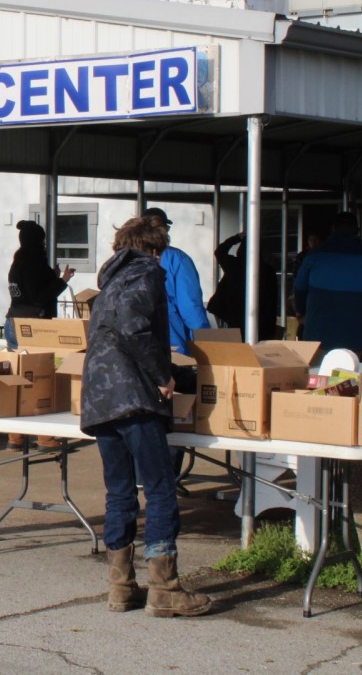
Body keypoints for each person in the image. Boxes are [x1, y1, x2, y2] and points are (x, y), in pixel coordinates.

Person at [81, 214, 211, 618]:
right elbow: (134, 327)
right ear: (155, 248)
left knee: (119, 492)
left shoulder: (111, 279)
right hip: (133, 395)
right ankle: (165, 588)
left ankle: (121, 587)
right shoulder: (147, 271)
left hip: (98, 397)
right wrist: (163, 374)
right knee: (159, 488)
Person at [4, 219, 73, 451]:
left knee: (17, 379)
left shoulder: (18, 261)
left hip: (13, 320)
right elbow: (39, 296)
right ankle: (45, 437)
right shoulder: (34, 262)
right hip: (34, 325)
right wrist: (62, 281)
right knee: (40, 380)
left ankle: (15, 436)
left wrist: (52, 277)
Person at [294, 211, 362, 361]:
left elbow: (299, 288)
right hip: (356, 332)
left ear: (333, 229)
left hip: (318, 330)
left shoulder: (315, 255)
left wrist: (301, 312)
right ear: (357, 231)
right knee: (351, 379)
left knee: (317, 377)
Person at [140, 207, 210, 356]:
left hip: (134, 346)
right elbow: (190, 308)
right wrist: (208, 345)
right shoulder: (176, 259)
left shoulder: (127, 259)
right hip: (171, 344)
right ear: (164, 230)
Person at [206, 231, 280, 340]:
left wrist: (237, 237)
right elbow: (272, 297)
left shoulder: (234, 264)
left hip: (234, 314)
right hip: (261, 317)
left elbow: (220, 251)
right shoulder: (267, 270)